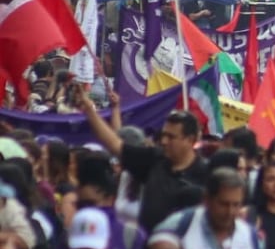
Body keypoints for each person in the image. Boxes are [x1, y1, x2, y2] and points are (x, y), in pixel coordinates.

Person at [79, 96, 209, 232]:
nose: (164, 141)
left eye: (171, 137)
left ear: (190, 140)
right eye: (164, 135)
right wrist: (90, 111)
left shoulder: (206, 174)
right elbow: (115, 145)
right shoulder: (153, 159)